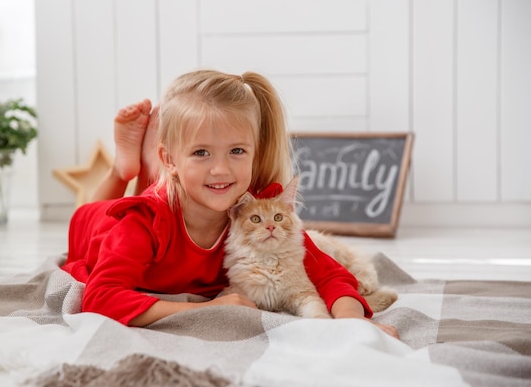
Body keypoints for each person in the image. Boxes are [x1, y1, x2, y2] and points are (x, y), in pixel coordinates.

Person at [62, 69, 399, 338]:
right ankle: (123, 170)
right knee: (94, 213)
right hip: (99, 230)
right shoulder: (143, 222)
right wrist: (207, 309)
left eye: (237, 151)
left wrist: (352, 321)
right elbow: (101, 297)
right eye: (201, 151)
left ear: (255, 151)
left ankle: (150, 166)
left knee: (192, 183)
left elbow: (328, 274)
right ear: (173, 159)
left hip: (178, 188)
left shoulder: (255, 212)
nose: (221, 169)